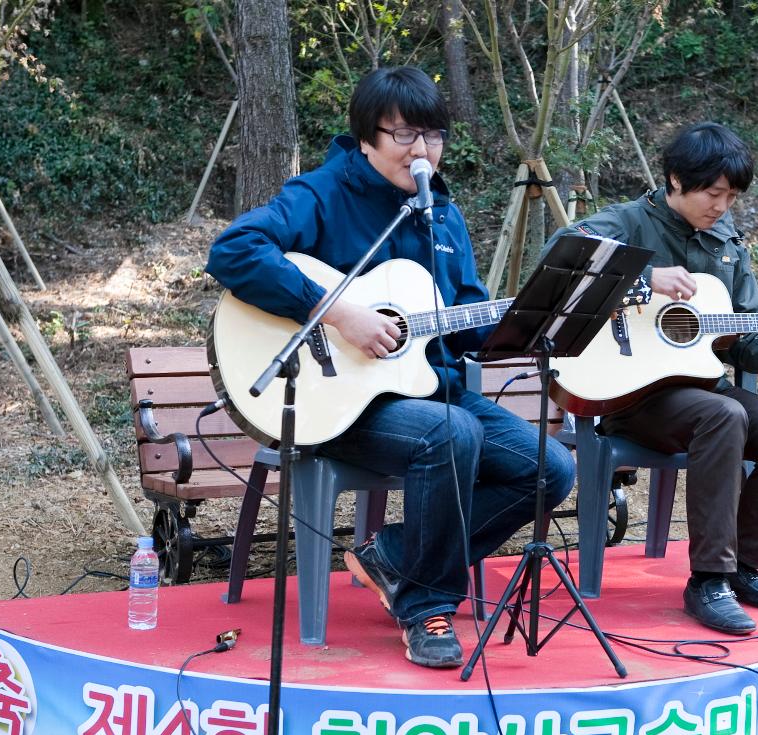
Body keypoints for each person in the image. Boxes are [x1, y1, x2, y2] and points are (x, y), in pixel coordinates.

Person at [206, 66, 576, 668]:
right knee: (451, 432)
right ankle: (426, 608)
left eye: (433, 135)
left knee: (551, 467)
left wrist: (527, 322)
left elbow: (467, 316)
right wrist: (336, 311)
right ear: (366, 137)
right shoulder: (320, 195)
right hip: (335, 403)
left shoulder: (444, 216)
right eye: (404, 135)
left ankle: (396, 556)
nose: (422, 150)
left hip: (428, 389)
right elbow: (234, 251)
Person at [546, 122, 758, 636]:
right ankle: (707, 580)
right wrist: (643, 277)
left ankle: (743, 568)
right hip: (628, 395)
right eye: (712, 192)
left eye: (732, 196)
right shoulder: (629, 222)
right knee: (725, 415)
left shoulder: (727, 246)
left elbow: (748, 339)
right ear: (675, 179)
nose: (721, 206)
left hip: (700, 389)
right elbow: (562, 253)